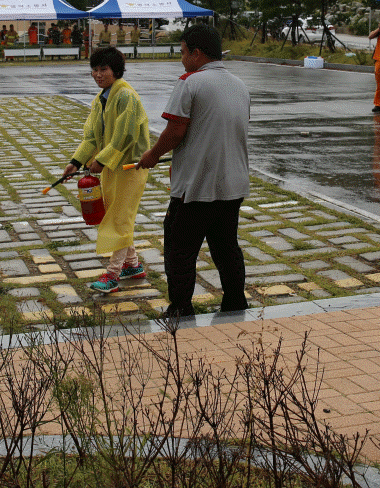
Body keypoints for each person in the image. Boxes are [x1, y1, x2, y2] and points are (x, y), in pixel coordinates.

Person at [138, 23, 250, 317]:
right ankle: (235, 303)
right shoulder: (240, 85)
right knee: (226, 248)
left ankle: (180, 308)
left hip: (197, 186)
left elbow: (175, 131)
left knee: (180, 249)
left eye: (184, 52)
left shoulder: (191, 82)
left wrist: (152, 155)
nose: (182, 58)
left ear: (197, 54)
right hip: (232, 183)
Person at [60, 47, 152, 295]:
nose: (98, 74)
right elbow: (91, 137)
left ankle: (112, 274)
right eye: (95, 69)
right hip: (112, 167)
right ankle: (132, 266)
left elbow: (126, 135)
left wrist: (101, 160)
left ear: (117, 71)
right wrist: (76, 162)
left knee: (119, 219)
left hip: (130, 168)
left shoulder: (126, 96)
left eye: (104, 69)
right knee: (116, 214)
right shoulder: (100, 100)